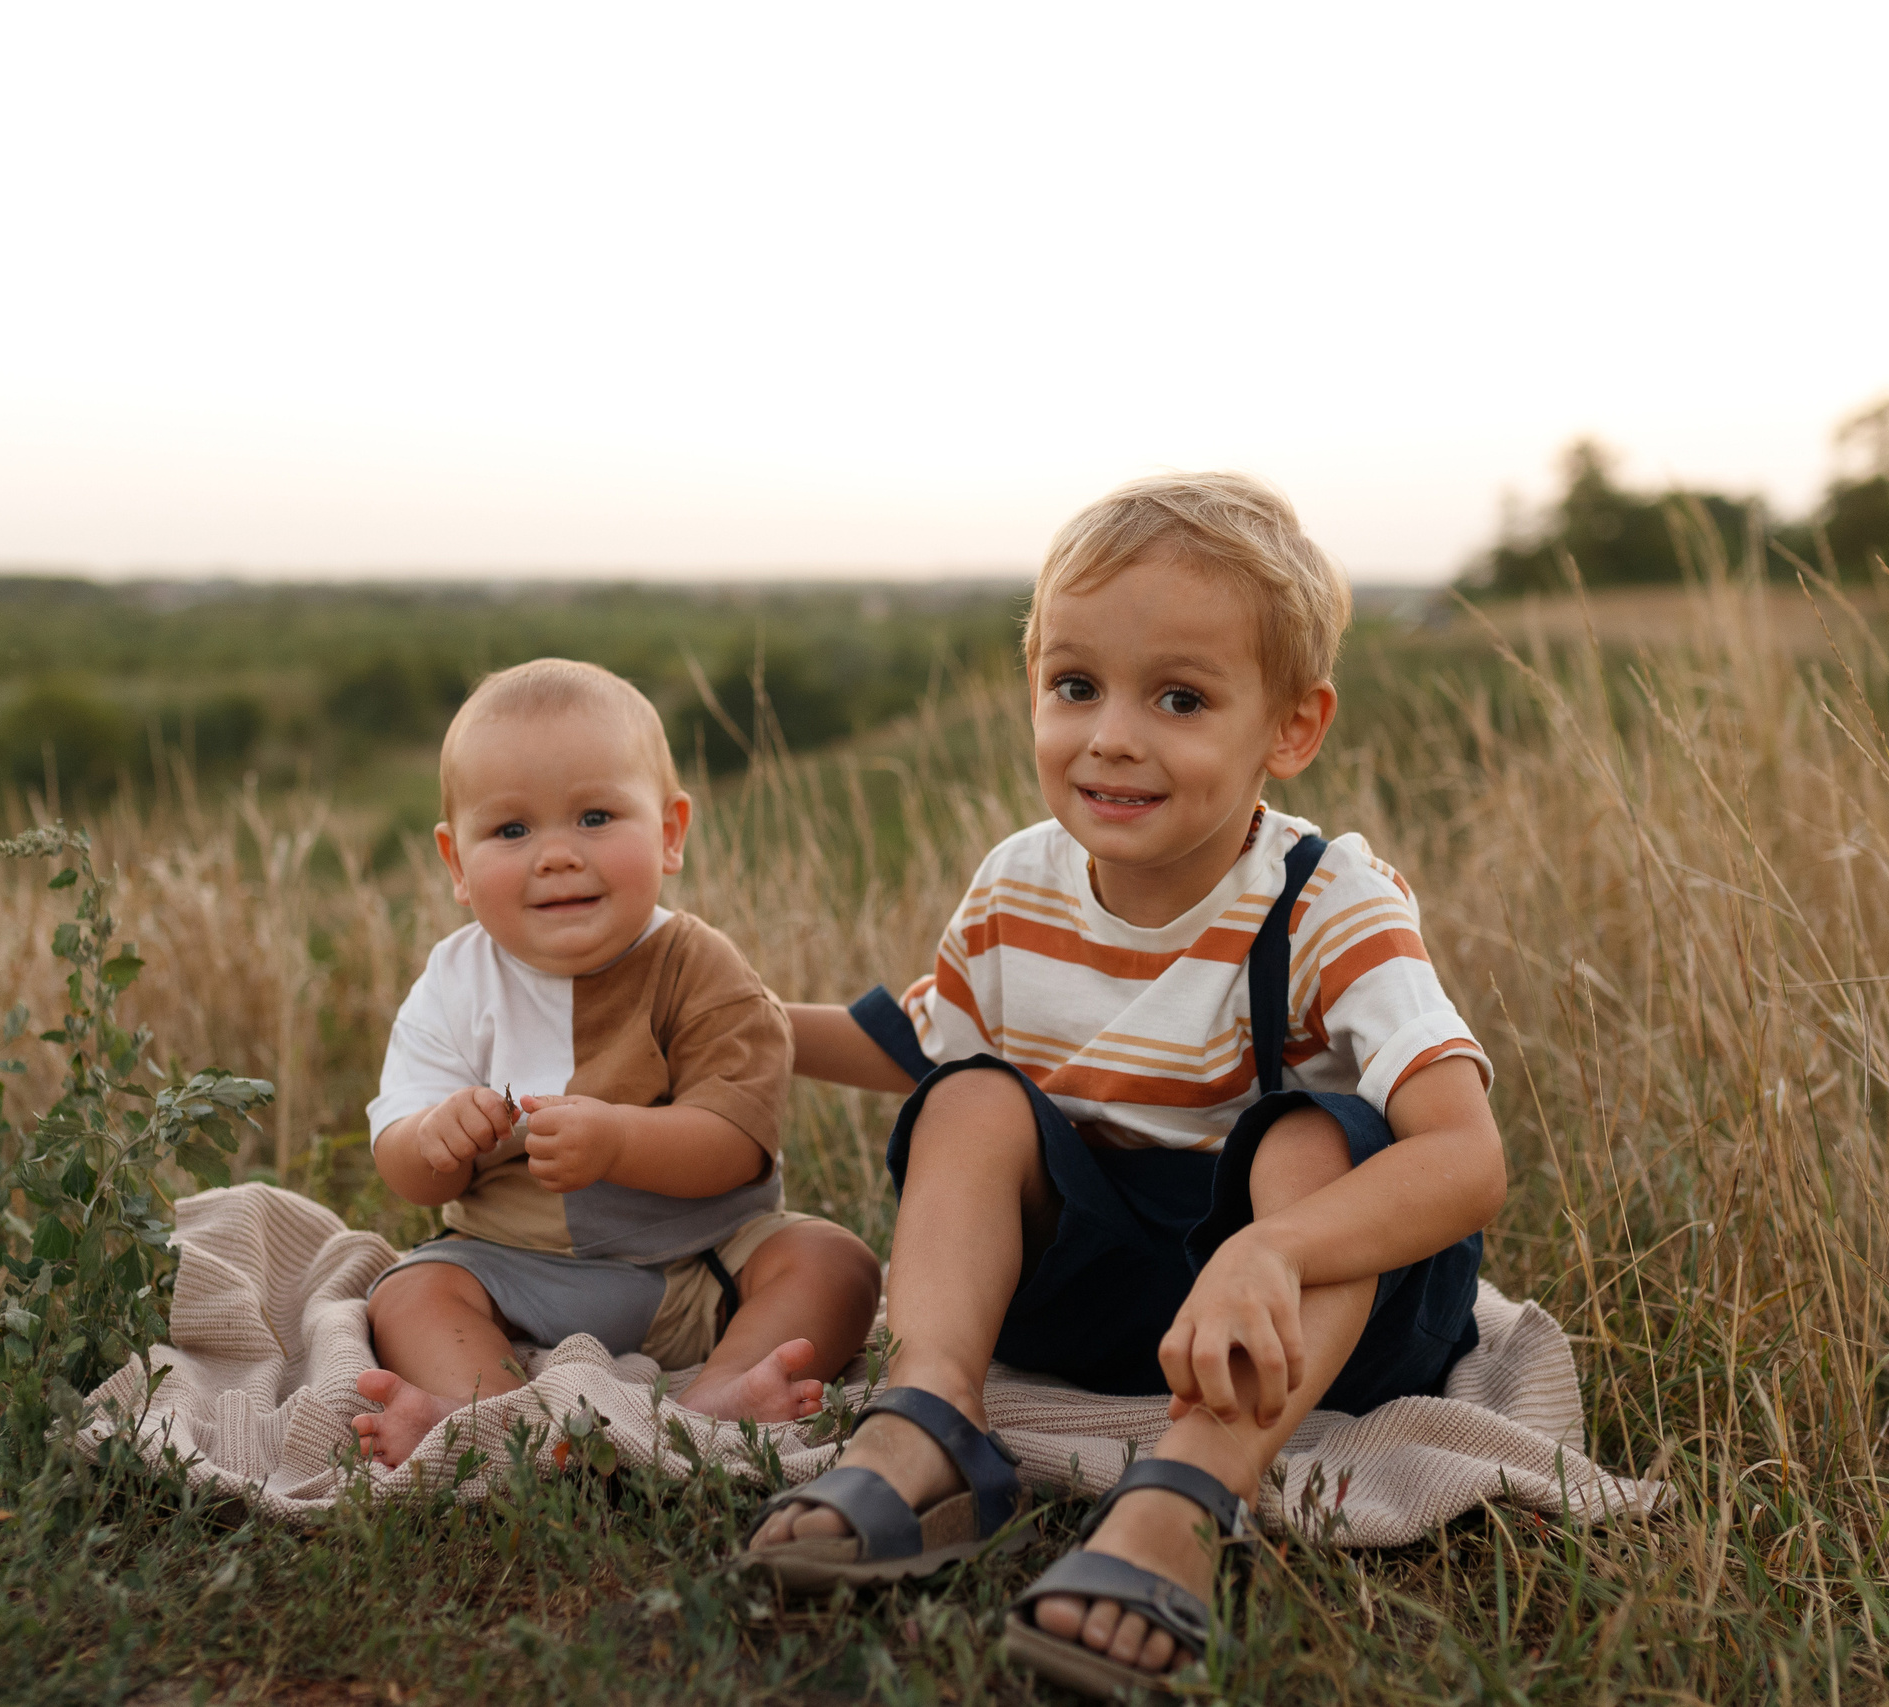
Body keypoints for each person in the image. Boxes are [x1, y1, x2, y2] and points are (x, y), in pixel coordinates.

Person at [737, 474, 1507, 1698]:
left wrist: (1279, 1252)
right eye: (1074, 686)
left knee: (1314, 1132)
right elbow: (923, 1044)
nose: (1110, 736)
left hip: (1292, 1316)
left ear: (1291, 729)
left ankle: (1191, 1494)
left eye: (1181, 699)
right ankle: (934, 1416)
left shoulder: (1328, 899)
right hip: (1096, 1297)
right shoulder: (1020, 885)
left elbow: (1464, 1161)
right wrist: (742, 1027)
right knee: (975, 1099)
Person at [352, 659, 882, 1465]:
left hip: (701, 1266)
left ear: (670, 832)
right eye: (512, 830)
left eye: (596, 817)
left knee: (833, 1263)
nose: (557, 855)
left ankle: (722, 1390)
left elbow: (738, 1138)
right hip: (515, 1271)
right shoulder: (455, 983)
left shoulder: (698, 966)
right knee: (410, 1292)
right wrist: (433, 1138)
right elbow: (401, 1157)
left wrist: (618, 1142)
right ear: (455, 863)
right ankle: (494, 1413)